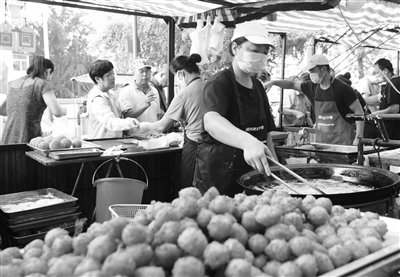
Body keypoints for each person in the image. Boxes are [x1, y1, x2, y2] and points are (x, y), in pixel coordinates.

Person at [192, 21, 278, 197]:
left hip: (251, 175)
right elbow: (211, 121)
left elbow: (266, 133)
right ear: (234, 48)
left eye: (265, 52)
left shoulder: (258, 86)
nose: (260, 56)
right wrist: (247, 141)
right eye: (254, 50)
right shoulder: (219, 83)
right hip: (218, 179)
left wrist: (275, 168)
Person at [265, 54, 364, 145]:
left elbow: (359, 112)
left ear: (323, 69)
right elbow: (292, 84)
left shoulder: (343, 88)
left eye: (312, 70)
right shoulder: (311, 87)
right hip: (322, 142)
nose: (310, 74)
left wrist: (358, 137)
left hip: (343, 142)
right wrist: (273, 82)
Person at [140, 53, 206, 188]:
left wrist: (142, 126)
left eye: (176, 76)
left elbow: (161, 126)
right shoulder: (210, 87)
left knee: (189, 189)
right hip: (214, 146)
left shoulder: (184, 94)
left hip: (195, 146)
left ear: (181, 74)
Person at [1, 56, 67, 144]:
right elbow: (57, 112)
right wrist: (64, 111)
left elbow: (2, 110)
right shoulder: (43, 84)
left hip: (7, 139)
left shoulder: (13, 84)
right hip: (28, 138)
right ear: (48, 71)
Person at [87, 60, 139, 139]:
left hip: (114, 142)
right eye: (108, 75)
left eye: (113, 74)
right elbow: (110, 122)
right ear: (97, 79)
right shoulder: (97, 99)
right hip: (102, 144)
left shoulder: (111, 95)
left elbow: (119, 117)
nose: (113, 77)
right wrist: (129, 122)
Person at [118, 59, 162, 135]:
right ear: (133, 74)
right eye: (141, 71)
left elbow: (157, 114)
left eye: (148, 72)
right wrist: (145, 105)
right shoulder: (126, 91)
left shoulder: (154, 91)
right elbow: (127, 115)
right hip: (135, 138)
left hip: (154, 136)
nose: (145, 74)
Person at [363, 58, 400, 140]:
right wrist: (360, 100)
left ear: (385, 71)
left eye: (377, 73)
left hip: (394, 130)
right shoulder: (388, 84)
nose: (376, 76)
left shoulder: (394, 84)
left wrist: (376, 114)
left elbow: (394, 109)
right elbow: (378, 98)